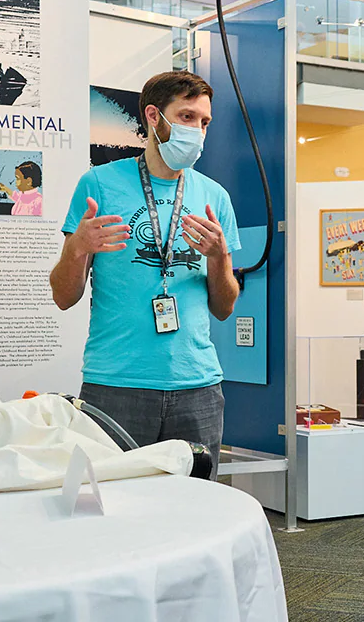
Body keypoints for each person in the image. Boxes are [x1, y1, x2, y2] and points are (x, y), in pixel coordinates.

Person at [50, 71, 240, 476]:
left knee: (195, 510)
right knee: (115, 512)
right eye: (187, 117)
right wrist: (77, 247)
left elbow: (224, 307)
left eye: (204, 122)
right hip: (116, 384)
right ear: (154, 116)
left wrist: (219, 258)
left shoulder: (214, 197)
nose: (198, 131)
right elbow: (64, 296)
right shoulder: (98, 184)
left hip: (198, 386)